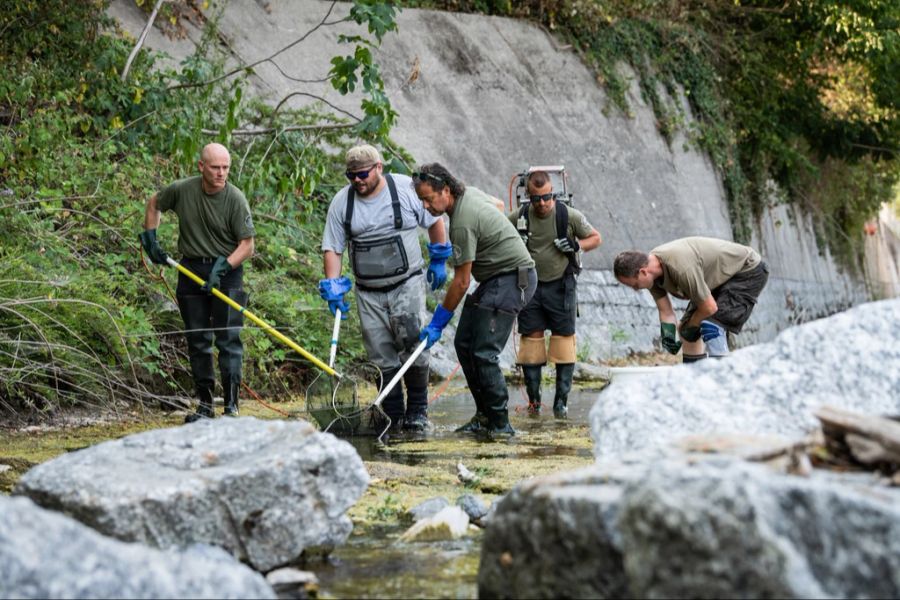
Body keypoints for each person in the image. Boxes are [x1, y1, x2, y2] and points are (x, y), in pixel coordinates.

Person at [319, 145, 450, 432]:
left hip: (407, 283)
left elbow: (435, 218)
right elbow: (333, 247)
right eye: (351, 175)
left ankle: (417, 411)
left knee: (412, 344)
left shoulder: (404, 189)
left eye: (363, 174)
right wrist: (333, 286)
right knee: (380, 353)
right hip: (368, 292)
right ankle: (392, 412)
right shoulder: (343, 203)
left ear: (378, 167)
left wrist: (439, 257)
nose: (357, 180)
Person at [414, 163, 537, 436]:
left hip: (514, 279)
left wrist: (438, 322)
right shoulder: (469, 194)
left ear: (446, 190)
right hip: (496, 278)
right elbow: (496, 205)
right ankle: (483, 416)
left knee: (483, 352)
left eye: (428, 198)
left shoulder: (462, 222)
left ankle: (501, 425)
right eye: (421, 200)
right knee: (464, 343)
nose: (425, 206)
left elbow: (461, 282)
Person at [139, 143, 255, 422]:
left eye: (226, 167)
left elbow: (247, 245)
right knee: (198, 339)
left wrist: (224, 266)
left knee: (228, 339)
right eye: (215, 167)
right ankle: (204, 405)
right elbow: (154, 202)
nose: (221, 173)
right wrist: (151, 238)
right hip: (190, 269)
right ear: (201, 167)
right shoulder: (182, 190)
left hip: (226, 271)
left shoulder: (235, 199)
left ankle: (231, 407)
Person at [509, 170, 602, 418]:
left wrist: (576, 245)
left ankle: (561, 403)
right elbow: (496, 233)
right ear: (529, 196)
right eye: (537, 198)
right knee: (531, 344)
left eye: (547, 197)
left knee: (563, 344)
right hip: (530, 288)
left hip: (561, 286)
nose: (542, 203)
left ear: (554, 194)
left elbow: (596, 238)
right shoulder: (519, 217)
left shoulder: (568, 215)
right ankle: (535, 403)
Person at [613, 237, 769, 362]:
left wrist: (692, 324)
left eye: (634, 285)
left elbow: (709, 308)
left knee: (710, 326)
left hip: (747, 270)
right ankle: (693, 379)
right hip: (717, 280)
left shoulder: (680, 267)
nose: (635, 289)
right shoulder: (652, 274)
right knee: (687, 332)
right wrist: (670, 338)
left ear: (643, 272)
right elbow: (666, 311)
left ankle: (723, 380)